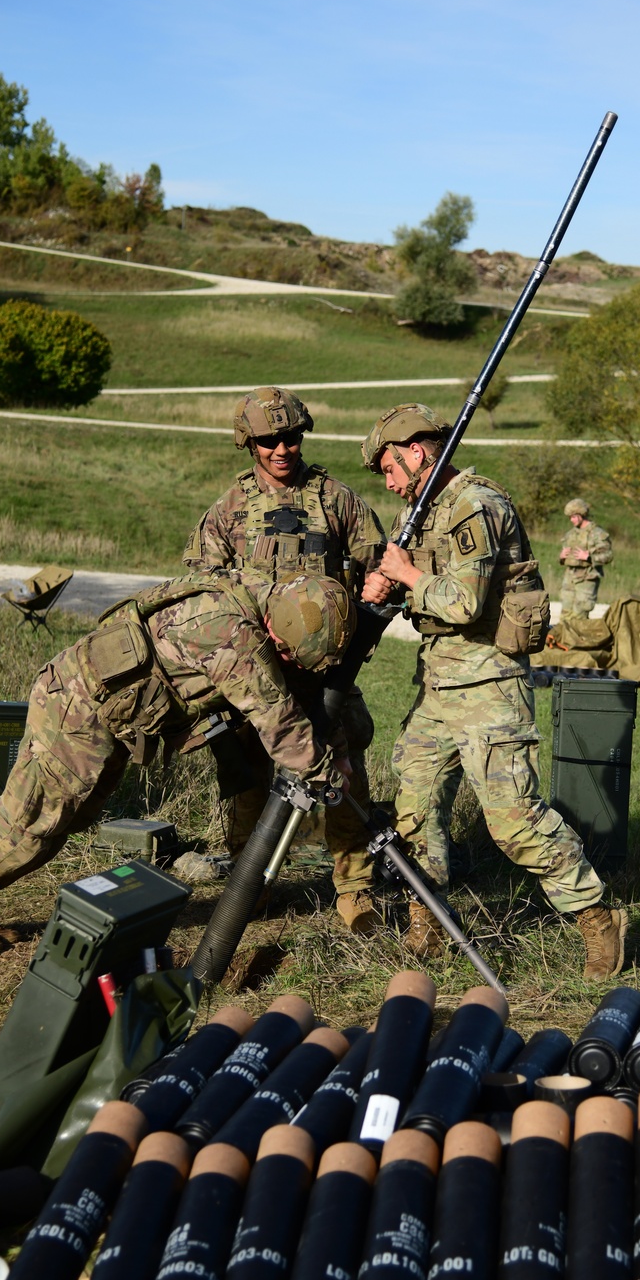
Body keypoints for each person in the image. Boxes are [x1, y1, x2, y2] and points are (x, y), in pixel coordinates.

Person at [0, 574, 355, 958]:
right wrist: (330, 774)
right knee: (35, 816)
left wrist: (336, 744)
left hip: (108, 712)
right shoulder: (232, 637)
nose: (290, 662)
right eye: (287, 653)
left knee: (67, 818)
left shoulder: (268, 597)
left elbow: (301, 691)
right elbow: (278, 722)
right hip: (76, 706)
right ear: (279, 630)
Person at [359, 403, 627, 981]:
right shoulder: (428, 512)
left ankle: (595, 916)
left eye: (388, 468)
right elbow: (433, 594)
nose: (388, 482)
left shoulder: (475, 505)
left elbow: (464, 603)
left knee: (513, 820)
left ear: (416, 452)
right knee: (415, 804)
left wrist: (406, 575)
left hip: (488, 684)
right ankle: (427, 917)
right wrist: (389, 586)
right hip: (438, 683)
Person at [183, 386, 386, 935]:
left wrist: (358, 629)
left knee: (343, 775)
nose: (282, 448)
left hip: (326, 673)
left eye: (291, 437)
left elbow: (381, 571)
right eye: (270, 440)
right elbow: (200, 595)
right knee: (249, 779)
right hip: (254, 673)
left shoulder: (337, 501)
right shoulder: (228, 510)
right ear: (249, 443)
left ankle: (356, 888)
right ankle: (251, 885)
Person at [558, 498, 613, 618]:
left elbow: (608, 556)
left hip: (587, 578)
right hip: (570, 578)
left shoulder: (597, 534)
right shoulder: (570, 534)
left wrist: (589, 557)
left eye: (573, 517)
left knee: (580, 615)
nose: (571, 520)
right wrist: (562, 557)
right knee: (565, 615)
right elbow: (564, 554)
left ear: (581, 515)